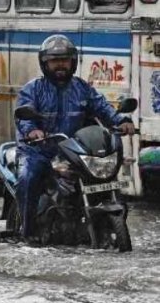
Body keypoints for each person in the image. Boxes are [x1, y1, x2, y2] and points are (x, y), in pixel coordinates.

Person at [14, 35, 136, 242]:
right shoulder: (33, 89)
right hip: (39, 151)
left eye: (65, 60)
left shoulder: (82, 88)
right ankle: (28, 232)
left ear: (73, 62)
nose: (60, 65)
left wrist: (121, 120)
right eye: (55, 60)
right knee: (28, 177)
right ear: (45, 63)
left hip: (73, 151)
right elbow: (23, 117)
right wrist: (32, 131)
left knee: (106, 174)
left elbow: (103, 108)